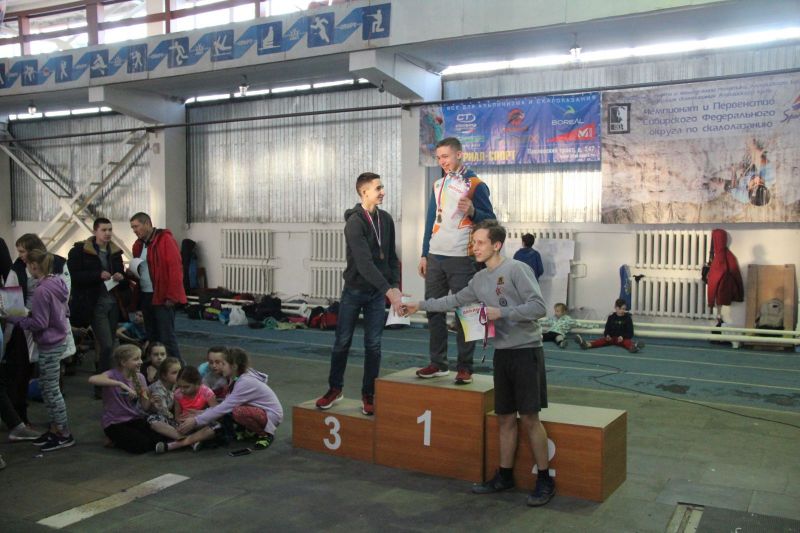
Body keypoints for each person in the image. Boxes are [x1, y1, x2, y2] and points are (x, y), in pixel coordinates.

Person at [404, 220, 555, 507]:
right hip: (503, 354)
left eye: (480, 242)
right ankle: (505, 476)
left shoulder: (517, 269)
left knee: (530, 419)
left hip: (526, 352)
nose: (474, 247)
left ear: (497, 245)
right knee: (505, 418)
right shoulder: (479, 280)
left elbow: (538, 308)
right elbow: (453, 301)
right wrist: (419, 306)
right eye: (473, 242)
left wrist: (502, 313)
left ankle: (545, 480)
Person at [314, 172, 402, 416]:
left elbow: (391, 257)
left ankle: (368, 394)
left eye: (382, 187)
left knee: (373, 345)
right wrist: (389, 291)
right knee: (342, 342)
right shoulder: (354, 222)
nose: (383, 192)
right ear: (364, 192)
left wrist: (395, 285)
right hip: (354, 291)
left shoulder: (386, 219)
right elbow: (364, 264)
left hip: (376, 294)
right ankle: (335, 389)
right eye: (378, 188)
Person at [417, 137, 495, 385]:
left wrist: (473, 212)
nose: (442, 161)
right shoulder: (438, 184)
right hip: (435, 256)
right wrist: (424, 253)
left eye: (446, 156)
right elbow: (431, 220)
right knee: (433, 311)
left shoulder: (476, 185)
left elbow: (492, 222)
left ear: (459, 155)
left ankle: (465, 367)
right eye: (439, 157)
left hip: (463, 258)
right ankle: (438, 363)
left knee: (467, 313)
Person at [6, 249, 75, 452]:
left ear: (34, 266)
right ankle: (55, 429)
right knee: (47, 388)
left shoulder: (41, 290)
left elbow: (40, 323)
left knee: (51, 391)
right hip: (57, 340)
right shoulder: (57, 283)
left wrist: (17, 319)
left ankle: (63, 433)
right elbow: (63, 311)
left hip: (49, 343)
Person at [180, 348, 282, 450]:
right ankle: (250, 430)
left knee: (238, 412)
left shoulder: (245, 382)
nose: (220, 367)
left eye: (223, 364)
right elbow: (225, 403)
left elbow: (224, 407)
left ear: (234, 366)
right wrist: (203, 412)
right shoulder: (237, 377)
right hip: (260, 410)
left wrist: (196, 420)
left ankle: (265, 434)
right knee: (232, 411)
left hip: (270, 415)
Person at [67, 218, 128, 380]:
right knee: (107, 344)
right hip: (94, 303)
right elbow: (74, 276)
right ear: (95, 231)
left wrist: (120, 276)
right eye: (104, 230)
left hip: (113, 302)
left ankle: (105, 377)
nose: (108, 233)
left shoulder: (115, 252)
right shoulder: (80, 251)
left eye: (110, 230)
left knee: (109, 343)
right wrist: (97, 275)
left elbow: (123, 277)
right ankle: (102, 379)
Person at [129, 212, 187, 363]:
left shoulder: (165, 240)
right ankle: (156, 370)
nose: (134, 230)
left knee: (166, 337)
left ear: (147, 223)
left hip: (162, 296)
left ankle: (179, 370)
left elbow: (175, 268)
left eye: (136, 226)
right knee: (152, 336)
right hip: (145, 294)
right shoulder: (138, 245)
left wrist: (172, 296)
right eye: (132, 227)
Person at [88, 344, 166, 454]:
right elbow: (92, 379)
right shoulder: (112, 375)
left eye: (140, 358)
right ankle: (114, 441)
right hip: (115, 422)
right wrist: (121, 384)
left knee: (159, 438)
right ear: (123, 362)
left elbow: (144, 405)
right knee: (141, 446)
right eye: (136, 359)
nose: (141, 362)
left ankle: (116, 440)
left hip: (133, 418)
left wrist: (152, 402)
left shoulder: (139, 378)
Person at [154, 365, 218, 453]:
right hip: (183, 424)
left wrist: (199, 415)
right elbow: (177, 416)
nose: (182, 390)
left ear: (197, 383)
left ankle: (176, 444)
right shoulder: (178, 394)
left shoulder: (206, 392)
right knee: (154, 420)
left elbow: (216, 411)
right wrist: (182, 424)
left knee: (215, 427)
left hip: (200, 422)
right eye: (180, 386)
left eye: (186, 387)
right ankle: (192, 440)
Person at [576, 299, 644, 353]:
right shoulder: (611, 317)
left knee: (627, 342)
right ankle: (586, 345)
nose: (622, 311)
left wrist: (622, 337)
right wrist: (607, 335)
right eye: (620, 308)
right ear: (616, 308)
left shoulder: (628, 318)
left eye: (623, 309)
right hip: (611, 339)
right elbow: (607, 330)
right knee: (600, 341)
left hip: (622, 339)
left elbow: (630, 333)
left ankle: (633, 348)